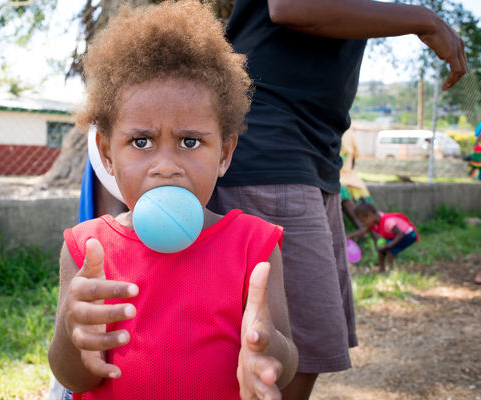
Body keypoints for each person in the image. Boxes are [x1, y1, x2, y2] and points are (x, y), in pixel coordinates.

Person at [205, 0, 467, 398]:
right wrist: (424, 21)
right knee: (287, 357)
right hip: (272, 153)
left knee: (308, 347)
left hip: (315, 158)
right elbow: (290, 6)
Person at [47, 2, 299, 399]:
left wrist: (267, 347)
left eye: (190, 141)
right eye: (141, 142)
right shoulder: (88, 248)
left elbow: (284, 362)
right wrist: (69, 328)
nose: (166, 165)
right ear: (107, 153)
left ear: (225, 153)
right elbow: (76, 379)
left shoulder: (255, 245)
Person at [346, 202, 419, 272]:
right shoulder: (375, 221)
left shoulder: (387, 222)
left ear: (370, 215)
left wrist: (389, 245)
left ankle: (391, 269)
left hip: (408, 234)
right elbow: (363, 231)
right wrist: (349, 236)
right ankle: (381, 268)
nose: (364, 223)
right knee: (381, 250)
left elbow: (400, 234)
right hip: (397, 235)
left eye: (363, 221)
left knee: (390, 250)